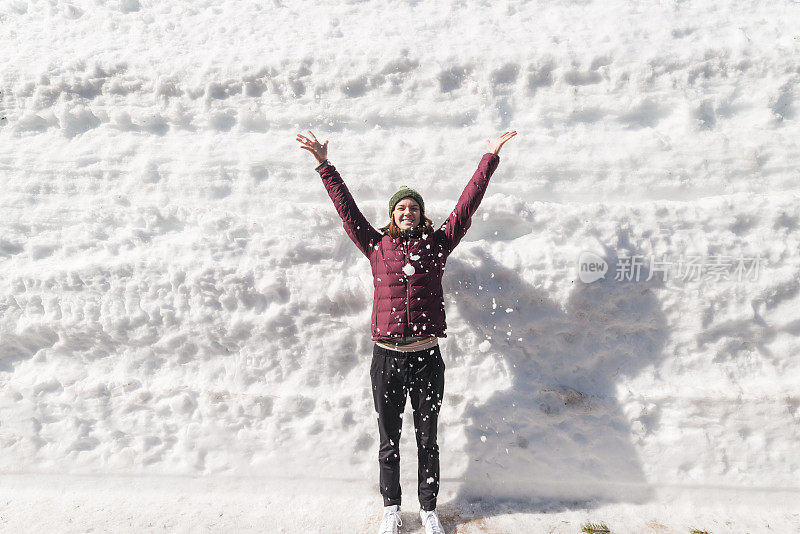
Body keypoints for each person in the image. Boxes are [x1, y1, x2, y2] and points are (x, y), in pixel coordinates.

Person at [296, 129, 516, 534]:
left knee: (427, 438)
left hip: (427, 356)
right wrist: (324, 165)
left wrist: (489, 158)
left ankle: (429, 509)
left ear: (422, 214)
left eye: (413, 208)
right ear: (392, 215)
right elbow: (348, 212)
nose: (407, 212)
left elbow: (466, 208)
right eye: (401, 209)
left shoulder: (437, 245)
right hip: (386, 358)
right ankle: (391, 508)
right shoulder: (375, 246)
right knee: (389, 439)